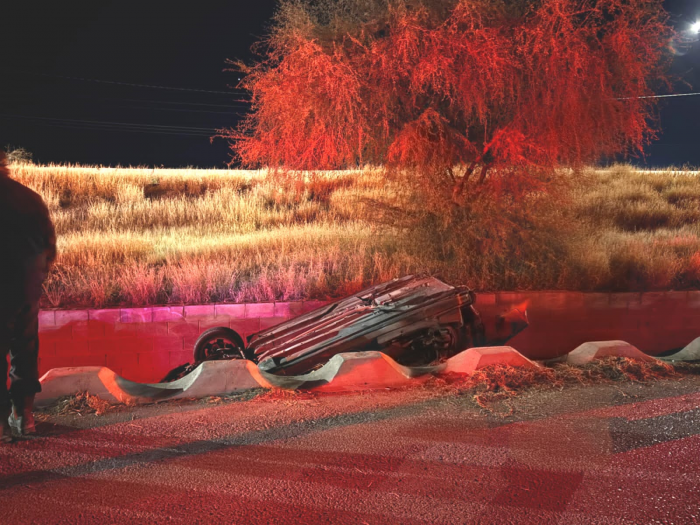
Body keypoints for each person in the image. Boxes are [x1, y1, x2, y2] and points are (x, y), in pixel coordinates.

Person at [0, 151, 56, 441]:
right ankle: (24, 417)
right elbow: (50, 246)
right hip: (27, 288)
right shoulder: (30, 198)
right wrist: (36, 277)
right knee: (25, 349)